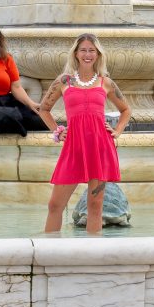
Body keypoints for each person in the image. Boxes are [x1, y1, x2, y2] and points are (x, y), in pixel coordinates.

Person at [37, 33, 130, 233]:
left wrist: (117, 131)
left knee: (95, 207)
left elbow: (126, 110)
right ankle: (49, 252)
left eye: (92, 50)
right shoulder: (64, 81)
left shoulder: (106, 82)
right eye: (83, 50)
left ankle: (93, 256)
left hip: (100, 146)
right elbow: (43, 109)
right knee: (55, 205)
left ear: (98, 54)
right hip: (73, 146)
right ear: (76, 54)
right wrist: (57, 131)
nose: (87, 54)